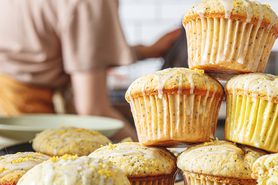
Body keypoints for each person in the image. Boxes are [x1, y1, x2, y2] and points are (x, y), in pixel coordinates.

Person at [0, 0, 181, 140]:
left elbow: (63, 47)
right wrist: (144, 150)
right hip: (21, 107)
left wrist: (146, 51)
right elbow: (93, 110)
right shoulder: (91, 3)